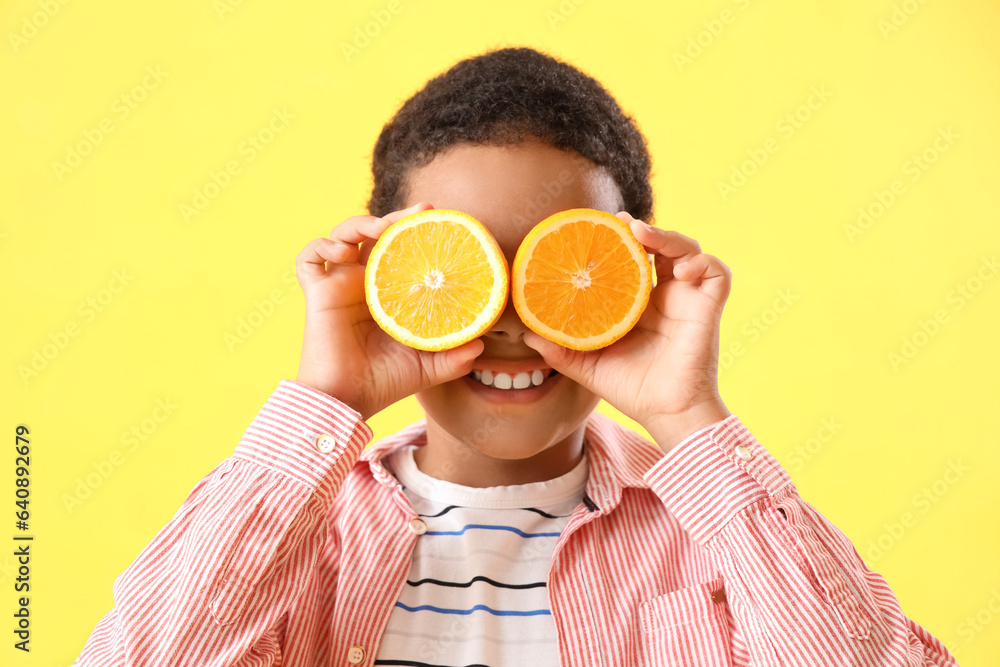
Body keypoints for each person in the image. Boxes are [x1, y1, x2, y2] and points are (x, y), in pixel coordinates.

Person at [73, 46, 957, 666]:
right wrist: (324, 400)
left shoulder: (721, 537)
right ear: (392, 273)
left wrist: (690, 420)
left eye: (557, 270)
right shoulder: (296, 537)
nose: (506, 322)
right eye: (468, 266)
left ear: (633, 276)